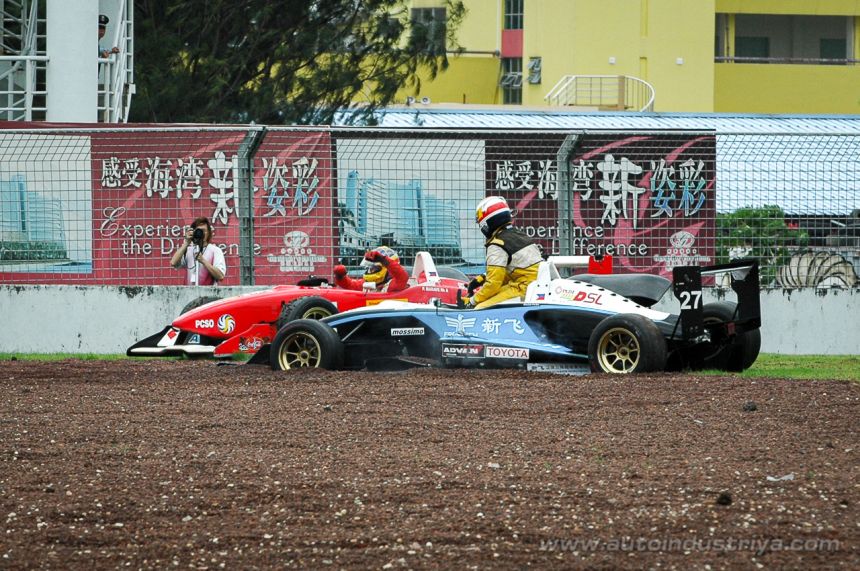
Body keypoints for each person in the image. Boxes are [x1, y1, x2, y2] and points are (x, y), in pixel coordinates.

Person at [464, 196, 543, 309]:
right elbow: (512, 270)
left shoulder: (497, 244)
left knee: (480, 309)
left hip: (523, 287)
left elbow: (493, 284)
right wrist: (482, 278)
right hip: (533, 284)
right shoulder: (519, 235)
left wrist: (471, 301)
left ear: (487, 222)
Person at [170, 217, 226, 285]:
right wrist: (187, 243)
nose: (201, 233)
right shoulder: (189, 250)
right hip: (189, 293)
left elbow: (220, 276)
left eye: (204, 231)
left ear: (208, 233)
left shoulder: (215, 251)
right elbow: (173, 263)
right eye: (199, 231)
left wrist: (203, 261)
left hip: (208, 294)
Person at [332, 246, 409, 292]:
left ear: (386, 269)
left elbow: (402, 276)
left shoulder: (395, 285)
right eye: (370, 268)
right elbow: (351, 285)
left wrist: (383, 260)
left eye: (374, 268)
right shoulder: (368, 284)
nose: (371, 270)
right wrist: (340, 277)